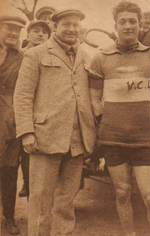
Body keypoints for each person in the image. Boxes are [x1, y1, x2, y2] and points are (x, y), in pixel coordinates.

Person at [14, 8, 96, 236]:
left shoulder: (85, 56)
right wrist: (26, 132)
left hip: (77, 140)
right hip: (44, 137)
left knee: (66, 202)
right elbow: (22, 95)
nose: (71, 29)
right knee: (40, 200)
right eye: (66, 24)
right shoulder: (36, 54)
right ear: (55, 26)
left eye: (76, 25)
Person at [89, 1, 150, 236]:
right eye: (122, 21)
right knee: (122, 193)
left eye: (132, 21)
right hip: (113, 139)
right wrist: (108, 119)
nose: (128, 25)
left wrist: (149, 117)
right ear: (115, 25)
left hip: (143, 139)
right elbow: (94, 98)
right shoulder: (100, 57)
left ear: (140, 24)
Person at [19, 19, 51, 198]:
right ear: (28, 34)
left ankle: (32, 192)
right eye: (36, 31)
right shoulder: (20, 55)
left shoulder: (49, 56)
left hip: (37, 115)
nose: (40, 35)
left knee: (32, 159)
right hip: (16, 110)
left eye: (44, 32)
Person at [0, 15, 26, 235]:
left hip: (9, 118)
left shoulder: (22, 57)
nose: (13, 34)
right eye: (9, 29)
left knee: (9, 171)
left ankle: (9, 217)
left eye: (17, 31)